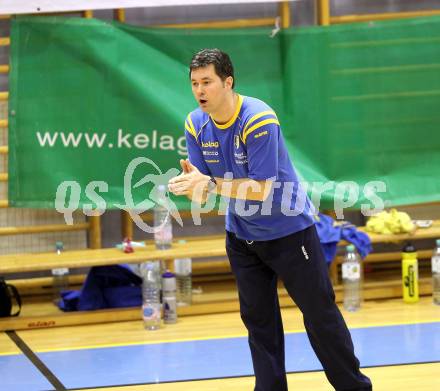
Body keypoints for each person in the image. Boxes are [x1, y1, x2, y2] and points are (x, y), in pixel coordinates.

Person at [168, 48, 372, 391]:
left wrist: (210, 184)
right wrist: (191, 186)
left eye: (207, 82)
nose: (200, 91)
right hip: (243, 239)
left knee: (320, 318)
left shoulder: (258, 119)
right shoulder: (194, 124)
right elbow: (205, 194)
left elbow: (260, 190)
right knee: (259, 323)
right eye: (194, 83)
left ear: (227, 82)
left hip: (289, 233)